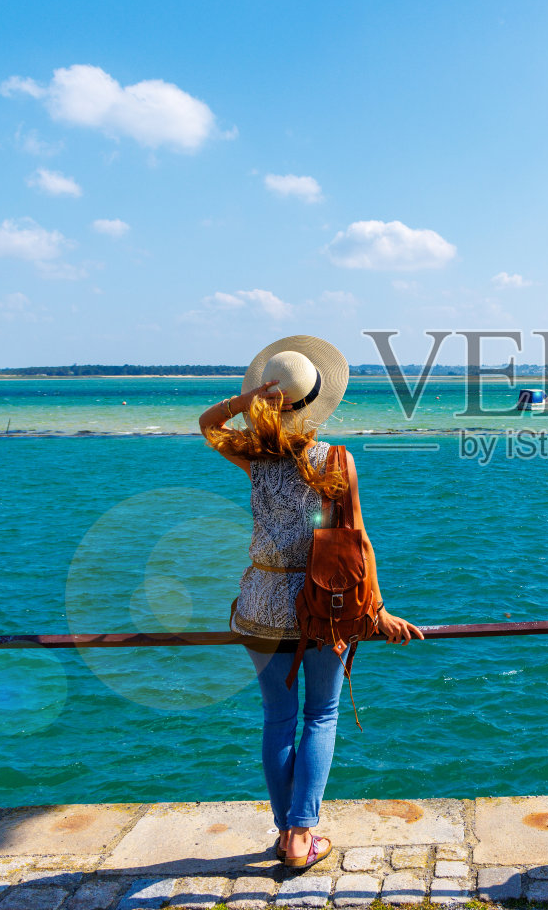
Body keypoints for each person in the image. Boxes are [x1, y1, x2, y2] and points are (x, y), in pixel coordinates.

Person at [199, 335, 422, 870]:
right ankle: (303, 835)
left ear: (266, 400)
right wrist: (377, 611)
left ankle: (286, 836)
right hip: (325, 605)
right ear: (319, 400)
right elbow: (357, 542)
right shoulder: (335, 460)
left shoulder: (255, 457)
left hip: (260, 603)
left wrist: (246, 403)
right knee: (321, 715)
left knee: (278, 720)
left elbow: (208, 424)